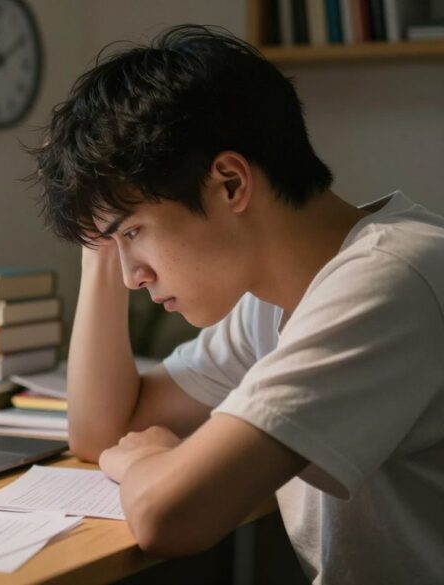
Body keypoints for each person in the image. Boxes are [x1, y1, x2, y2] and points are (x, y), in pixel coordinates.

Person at [31, 24, 444, 583]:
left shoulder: (390, 278)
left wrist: (141, 462)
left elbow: (168, 516)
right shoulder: (271, 302)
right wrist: (101, 241)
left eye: (133, 234)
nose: (133, 278)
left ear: (229, 183)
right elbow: (101, 430)